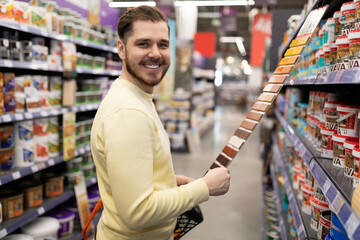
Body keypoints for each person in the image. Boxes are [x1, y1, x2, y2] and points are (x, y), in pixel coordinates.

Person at [90, 5, 231, 239]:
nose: (155, 53)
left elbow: (127, 177)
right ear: (121, 49)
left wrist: (168, 182)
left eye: (162, 44)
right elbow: (137, 212)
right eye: (143, 43)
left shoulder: (138, 97)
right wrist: (203, 188)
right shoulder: (129, 112)